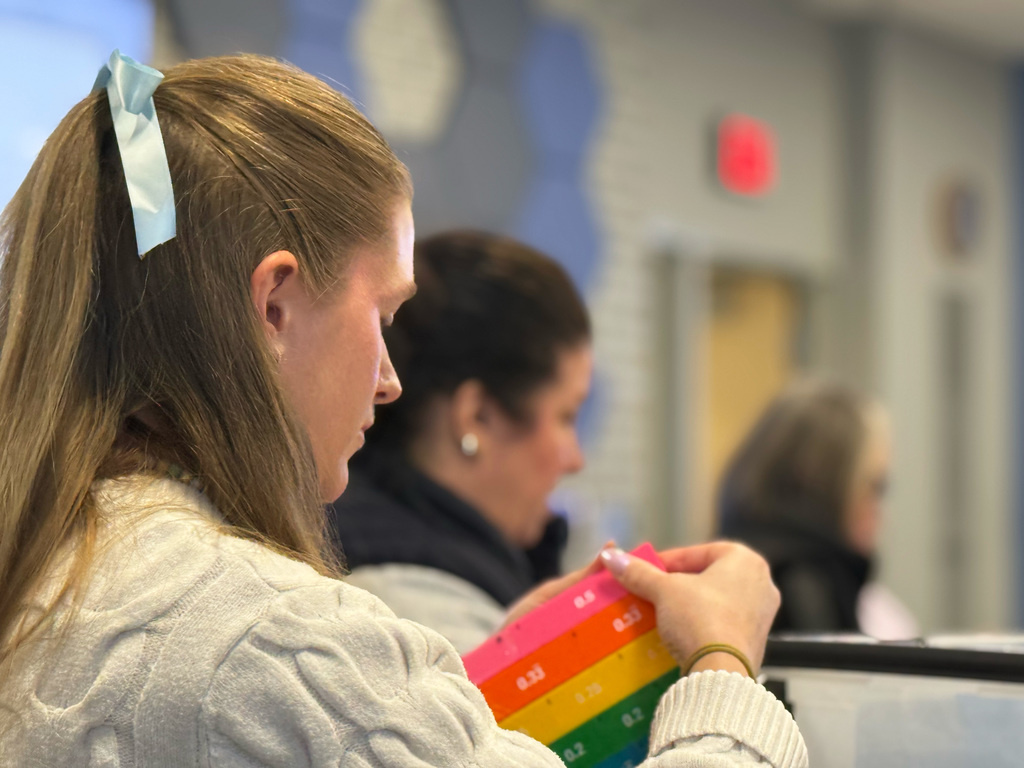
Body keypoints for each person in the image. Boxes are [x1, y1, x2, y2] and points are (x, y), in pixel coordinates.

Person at [0, 51, 806, 766]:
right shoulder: (274, 638)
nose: (389, 379)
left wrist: (467, 679)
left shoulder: (46, 561)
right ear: (275, 305)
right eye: (382, 315)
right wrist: (723, 666)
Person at [329, 231, 589, 652]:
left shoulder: (361, 548)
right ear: (476, 417)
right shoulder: (423, 622)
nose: (576, 459)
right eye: (566, 416)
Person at [718, 379, 917, 639]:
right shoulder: (807, 593)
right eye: (876, 488)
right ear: (825, 486)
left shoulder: (719, 580)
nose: (882, 514)